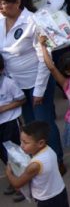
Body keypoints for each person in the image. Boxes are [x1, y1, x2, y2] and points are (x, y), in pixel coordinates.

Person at [0, 0, 64, 170]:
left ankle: (56, 161)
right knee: (29, 128)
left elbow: (44, 58)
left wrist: (39, 90)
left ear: (18, 2)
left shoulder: (33, 21)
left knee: (43, 125)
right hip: (15, 86)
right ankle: (41, 163)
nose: (1, 7)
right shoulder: (0, 21)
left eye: (4, 3)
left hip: (37, 82)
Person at [5, 121, 68, 207]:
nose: (21, 145)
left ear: (40, 143)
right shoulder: (49, 149)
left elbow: (17, 184)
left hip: (47, 201)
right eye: (21, 141)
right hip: (60, 191)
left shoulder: (35, 165)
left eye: (25, 142)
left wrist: (8, 172)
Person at [0, 53, 25, 202]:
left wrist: (5, 108)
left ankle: (23, 184)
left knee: (15, 153)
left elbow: (22, 99)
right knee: (3, 154)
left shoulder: (8, 83)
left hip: (10, 121)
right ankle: (14, 179)